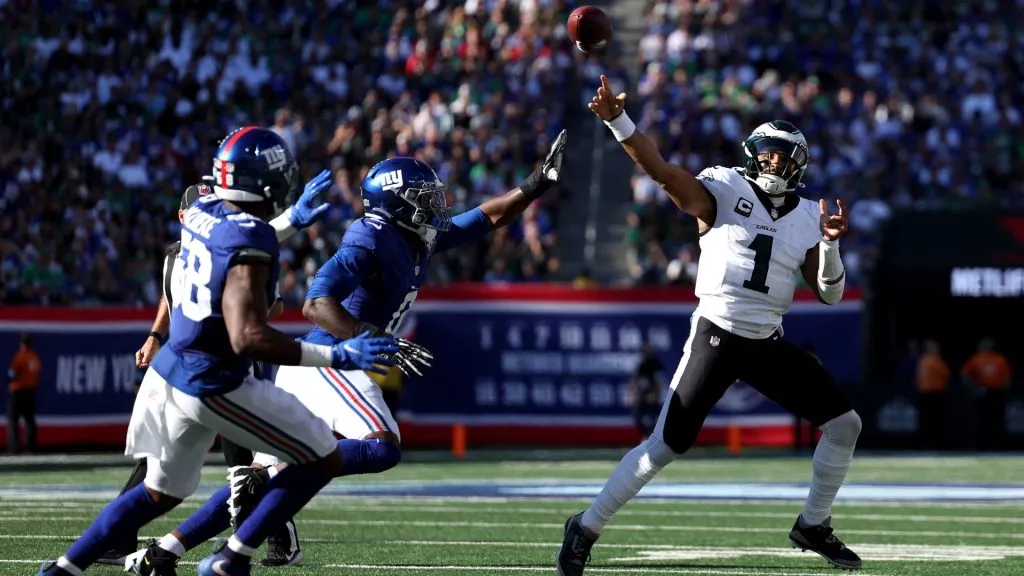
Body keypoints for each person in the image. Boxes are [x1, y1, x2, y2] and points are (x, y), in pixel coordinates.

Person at [157, 132, 568, 560]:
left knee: (251, 484)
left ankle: (166, 550)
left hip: (319, 368)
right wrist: (372, 339)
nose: (434, 206)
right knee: (381, 445)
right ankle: (283, 474)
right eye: (423, 197)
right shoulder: (372, 238)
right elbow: (317, 303)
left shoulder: (416, 236)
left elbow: (485, 218)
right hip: (330, 363)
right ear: (397, 202)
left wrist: (538, 182)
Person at [36, 126, 398, 576]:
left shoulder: (201, 210)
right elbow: (248, 336)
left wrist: (287, 223)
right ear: (261, 180)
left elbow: (231, 240)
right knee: (322, 455)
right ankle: (233, 559)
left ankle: (61, 569)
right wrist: (336, 356)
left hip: (169, 375)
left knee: (156, 493)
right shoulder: (254, 240)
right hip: (214, 381)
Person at [556, 77, 862, 575]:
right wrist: (618, 120)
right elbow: (659, 171)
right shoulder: (723, 187)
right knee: (664, 446)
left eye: (782, 156)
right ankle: (585, 526)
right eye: (765, 154)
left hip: (765, 341)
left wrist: (829, 244)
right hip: (717, 334)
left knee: (845, 424)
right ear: (751, 156)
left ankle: (813, 524)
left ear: (799, 164)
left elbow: (830, 294)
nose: (772, 162)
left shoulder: (811, 215)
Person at [101, 180, 304, 568]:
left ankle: (280, 531)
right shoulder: (175, 256)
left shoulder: (232, 253)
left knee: (241, 466)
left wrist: (237, 323)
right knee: (159, 451)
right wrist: (156, 335)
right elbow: (170, 296)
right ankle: (118, 536)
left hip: (230, 373)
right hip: (187, 373)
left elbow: (272, 306)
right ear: (183, 217)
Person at [961, 338, 1011, 451]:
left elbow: (1007, 376)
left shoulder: (999, 359)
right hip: (982, 392)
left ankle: (997, 445)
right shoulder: (976, 359)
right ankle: (981, 445)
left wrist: (1003, 389)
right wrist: (974, 387)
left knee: (997, 419)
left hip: (997, 393)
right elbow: (965, 374)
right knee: (981, 419)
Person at [6, 332, 41, 454]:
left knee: (13, 419)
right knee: (29, 419)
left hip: (18, 391)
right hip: (30, 391)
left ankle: (14, 448)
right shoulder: (34, 357)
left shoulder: (20, 357)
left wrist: (11, 374)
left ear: (21, 343)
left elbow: (12, 374)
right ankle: (30, 447)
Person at [627, 344, 664, 439]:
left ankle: (653, 438)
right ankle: (646, 436)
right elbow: (635, 379)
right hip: (641, 394)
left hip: (652, 394)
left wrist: (656, 394)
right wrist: (632, 394)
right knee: (638, 417)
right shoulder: (641, 364)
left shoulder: (656, 364)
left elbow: (659, 381)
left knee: (653, 419)